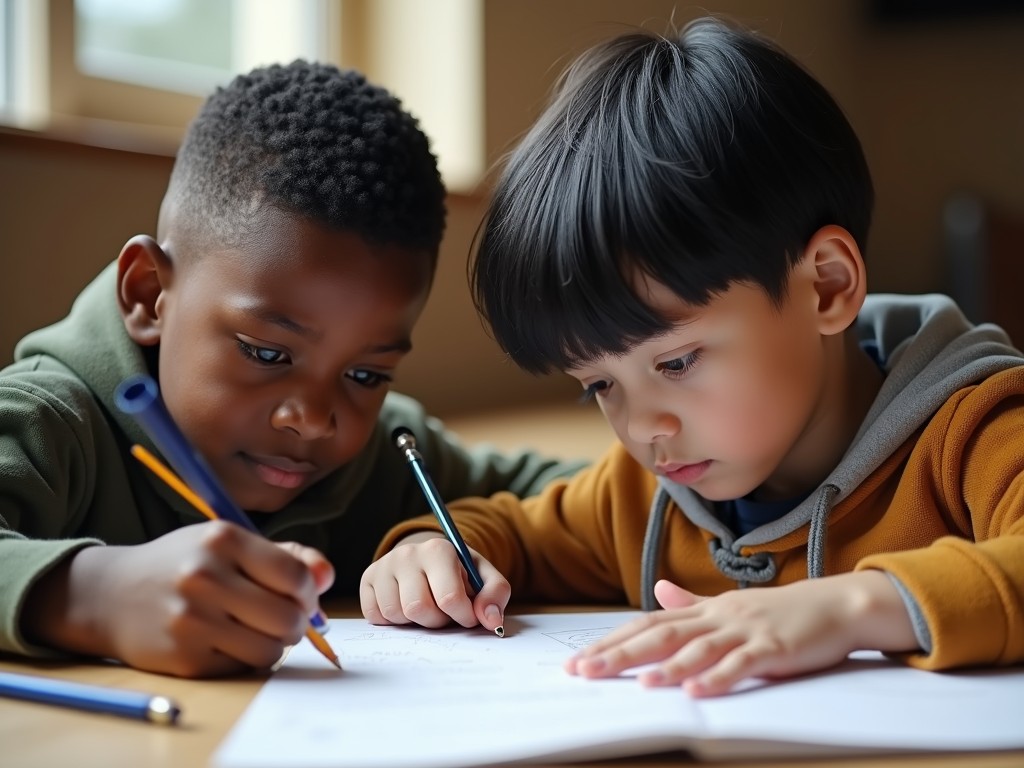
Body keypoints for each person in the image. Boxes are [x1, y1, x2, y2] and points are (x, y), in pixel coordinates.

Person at [361, 17, 1024, 696]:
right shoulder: (642, 496)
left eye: (676, 363)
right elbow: (510, 532)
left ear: (826, 284)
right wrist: (428, 553)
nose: (643, 427)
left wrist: (853, 608)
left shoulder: (973, 433)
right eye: (599, 386)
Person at [0, 60, 584, 678]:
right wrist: (95, 596)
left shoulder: (384, 454)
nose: (311, 420)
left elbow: (593, 499)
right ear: (149, 295)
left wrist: (447, 541)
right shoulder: (49, 423)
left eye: (365, 376)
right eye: (267, 353)